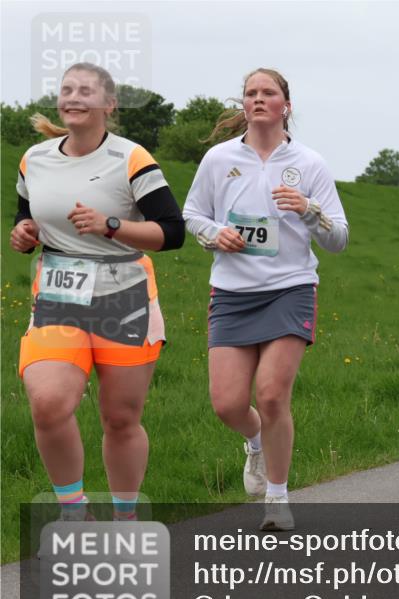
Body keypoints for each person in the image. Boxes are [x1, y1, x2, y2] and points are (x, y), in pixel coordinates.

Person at [10, 63, 185, 521]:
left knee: (120, 419)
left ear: (109, 104)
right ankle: (74, 511)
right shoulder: (35, 159)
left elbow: (172, 232)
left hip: (123, 295)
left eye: (86, 91)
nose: (73, 97)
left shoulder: (131, 159)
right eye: (67, 89)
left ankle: (125, 516)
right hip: (58, 294)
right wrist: (23, 232)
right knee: (48, 404)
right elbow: (27, 217)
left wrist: (113, 226)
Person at [183, 68, 349, 531]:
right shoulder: (218, 160)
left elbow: (339, 239)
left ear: (285, 105)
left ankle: (277, 498)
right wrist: (216, 234)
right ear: (244, 104)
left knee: (273, 395)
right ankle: (254, 442)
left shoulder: (310, 164)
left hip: (290, 288)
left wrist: (308, 210)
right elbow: (191, 214)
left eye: (268, 93)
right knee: (227, 404)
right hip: (233, 293)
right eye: (251, 93)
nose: (258, 99)